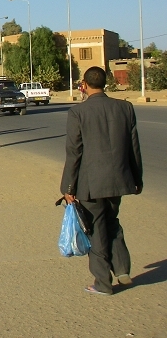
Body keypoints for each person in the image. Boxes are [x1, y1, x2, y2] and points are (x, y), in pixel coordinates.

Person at [60, 66, 143, 296]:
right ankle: (122, 269)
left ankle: (103, 283)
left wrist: (68, 187)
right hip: (119, 180)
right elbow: (133, 147)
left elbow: (74, 152)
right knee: (111, 221)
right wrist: (137, 178)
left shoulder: (78, 112)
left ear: (84, 85)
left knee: (95, 229)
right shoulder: (125, 108)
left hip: (91, 184)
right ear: (105, 83)